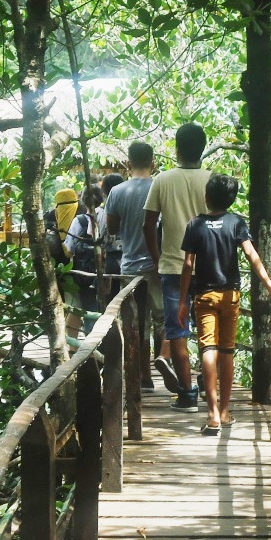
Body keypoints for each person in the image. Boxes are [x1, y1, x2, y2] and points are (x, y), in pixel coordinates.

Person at [178, 173, 271, 433]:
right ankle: (226, 411)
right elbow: (252, 256)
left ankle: (212, 413)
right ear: (231, 199)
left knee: (208, 349)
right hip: (230, 296)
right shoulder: (236, 223)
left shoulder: (195, 225)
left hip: (204, 296)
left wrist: (183, 301)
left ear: (207, 196)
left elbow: (187, 265)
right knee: (227, 351)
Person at [144, 123, 211, 412]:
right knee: (210, 332)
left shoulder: (162, 180)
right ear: (203, 148)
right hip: (209, 268)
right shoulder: (213, 180)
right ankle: (210, 389)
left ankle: (187, 395)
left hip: (172, 267)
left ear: (177, 148)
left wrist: (158, 256)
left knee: (177, 331)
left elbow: (148, 225)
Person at [106, 142, 167, 390]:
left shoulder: (118, 192)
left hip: (130, 264)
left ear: (128, 163)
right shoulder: (161, 188)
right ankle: (164, 363)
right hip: (159, 263)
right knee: (163, 317)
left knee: (137, 322)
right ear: (153, 163)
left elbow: (111, 229)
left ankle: (144, 376)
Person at [64, 186, 102, 336]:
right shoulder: (107, 216)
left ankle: (91, 351)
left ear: (83, 200)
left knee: (88, 310)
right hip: (108, 271)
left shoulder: (78, 221)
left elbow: (69, 251)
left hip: (85, 274)